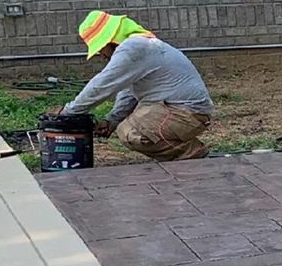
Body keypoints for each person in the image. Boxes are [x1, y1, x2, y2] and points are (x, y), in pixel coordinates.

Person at [64, 10, 216, 161]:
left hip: (185, 113)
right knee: (127, 125)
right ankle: (182, 149)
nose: (102, 56)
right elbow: (129, 92)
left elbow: (102, 85)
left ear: (109, 40)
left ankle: (190, 152)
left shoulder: (134, 47)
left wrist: (68, 113)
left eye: (100, 49)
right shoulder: (142, 44)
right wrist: (112, 120)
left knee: (129, 131)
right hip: (188, 111)